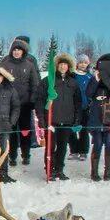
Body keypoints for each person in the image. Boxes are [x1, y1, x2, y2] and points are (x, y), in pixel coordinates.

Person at [84, 54, 110, 182]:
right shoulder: (93, 79)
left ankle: (108, 171)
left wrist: (109, 80)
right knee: (97, 143)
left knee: (109, 143)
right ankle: (94, 171)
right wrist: (96, 80)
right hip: (96, 115)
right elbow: (88, 94)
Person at [0, 38, 39, 167]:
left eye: (19, 50)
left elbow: (34, 83)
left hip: (25, 104)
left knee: (25, 130)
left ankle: (26, 154)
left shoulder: (29, 65)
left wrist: (33, 100)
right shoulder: (5, 64)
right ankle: (12, 156)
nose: (17, 52)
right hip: (9, 105)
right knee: (11, 130)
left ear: (23, 52)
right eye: (15, 50)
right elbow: (0, 82)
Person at [45, 53, 83, 181]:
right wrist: (42, 117)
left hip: (66, 120)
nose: (62, 67)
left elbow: (78, 102)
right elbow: (39, 99)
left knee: (62, 146)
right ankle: (50, 169)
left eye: (65, 64)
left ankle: (59, 170)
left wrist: (76, 119)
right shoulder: (49, 81)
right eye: (60, 64)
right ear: (57, 66)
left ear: (69, 66)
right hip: (52, 120)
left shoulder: (73, 83)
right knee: (51, 146)